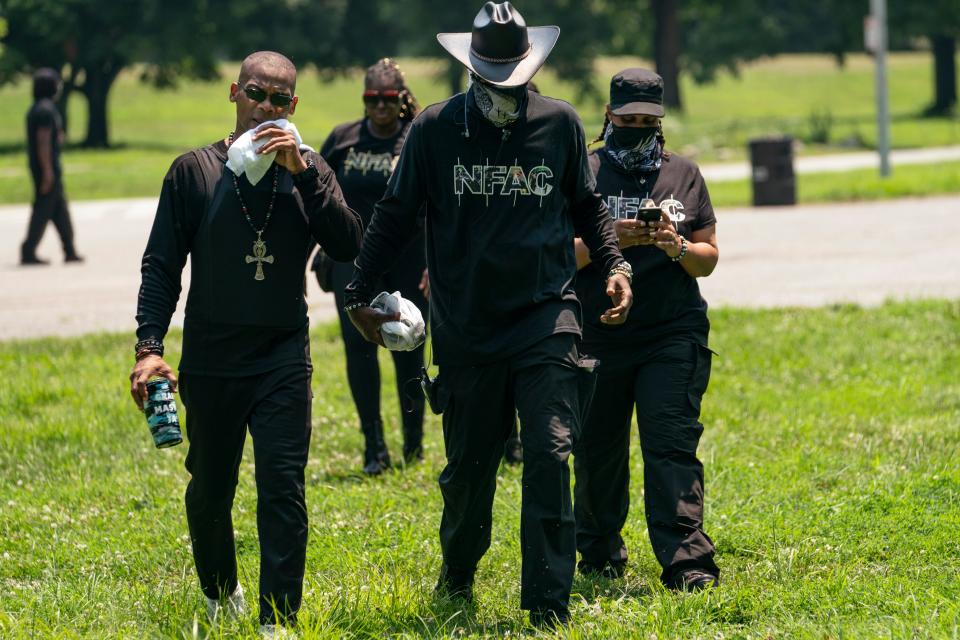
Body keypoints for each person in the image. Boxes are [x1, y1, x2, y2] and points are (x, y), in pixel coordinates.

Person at [344, 2, 633, 627]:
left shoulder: (560, 124)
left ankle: (548, 606)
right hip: (467, 325)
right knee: (470, 470)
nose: (507, 88)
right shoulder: (434, 130)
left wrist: (615, 265)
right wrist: (358, 292)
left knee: (551, 455)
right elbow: (394, 216)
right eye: (495, 75)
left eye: (516, 75)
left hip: (546, 316)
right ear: (470, 69)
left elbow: (587, 206)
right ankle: (459, 570)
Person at [129, 51, 362, 634]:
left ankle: (277, 619)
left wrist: (305, 171)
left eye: (279, 99)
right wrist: (149, 347)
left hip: (283, 353)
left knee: (283, 487)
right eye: (256, 94)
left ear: (294, 106)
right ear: (234, 92)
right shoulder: (193, 172)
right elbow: (161, 266)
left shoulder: (310, 171)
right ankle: (219, 593)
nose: (266, 106)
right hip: (212, 355)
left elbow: (348, 245)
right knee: (210, 485)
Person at [572, 68, 721, 591]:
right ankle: (598, 550)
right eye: (628, 119)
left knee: (671, 444)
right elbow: (555, 255)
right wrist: (612, 238)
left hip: (671, 332)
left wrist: (674, 246)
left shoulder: (684, 174)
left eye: (648, 120)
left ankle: (687, 561)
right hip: (598, 333)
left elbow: (708, 259)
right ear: (609, 115)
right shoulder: (583, 170)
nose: (638, 127)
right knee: (597, 449)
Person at [311, 59, 426, 475]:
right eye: (371, 98)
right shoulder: (343, 140)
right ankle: (374, 448)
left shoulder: (415, 138)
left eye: (388, 98)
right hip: (353, 262)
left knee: (409, 350)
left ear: (401, 99)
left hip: (408, 259)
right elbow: (316, 195)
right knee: (359, 352)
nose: (380, 106)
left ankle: (414, 446)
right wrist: (320, 249)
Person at [20, 67, 83, 265]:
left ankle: (70, 250)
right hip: (45, 168)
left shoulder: (39, 108)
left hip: (45, 167)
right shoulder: (45, 110)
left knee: (59, 209)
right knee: (43, 210)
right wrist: (47, 172)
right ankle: (28, 250)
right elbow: (43, 142)